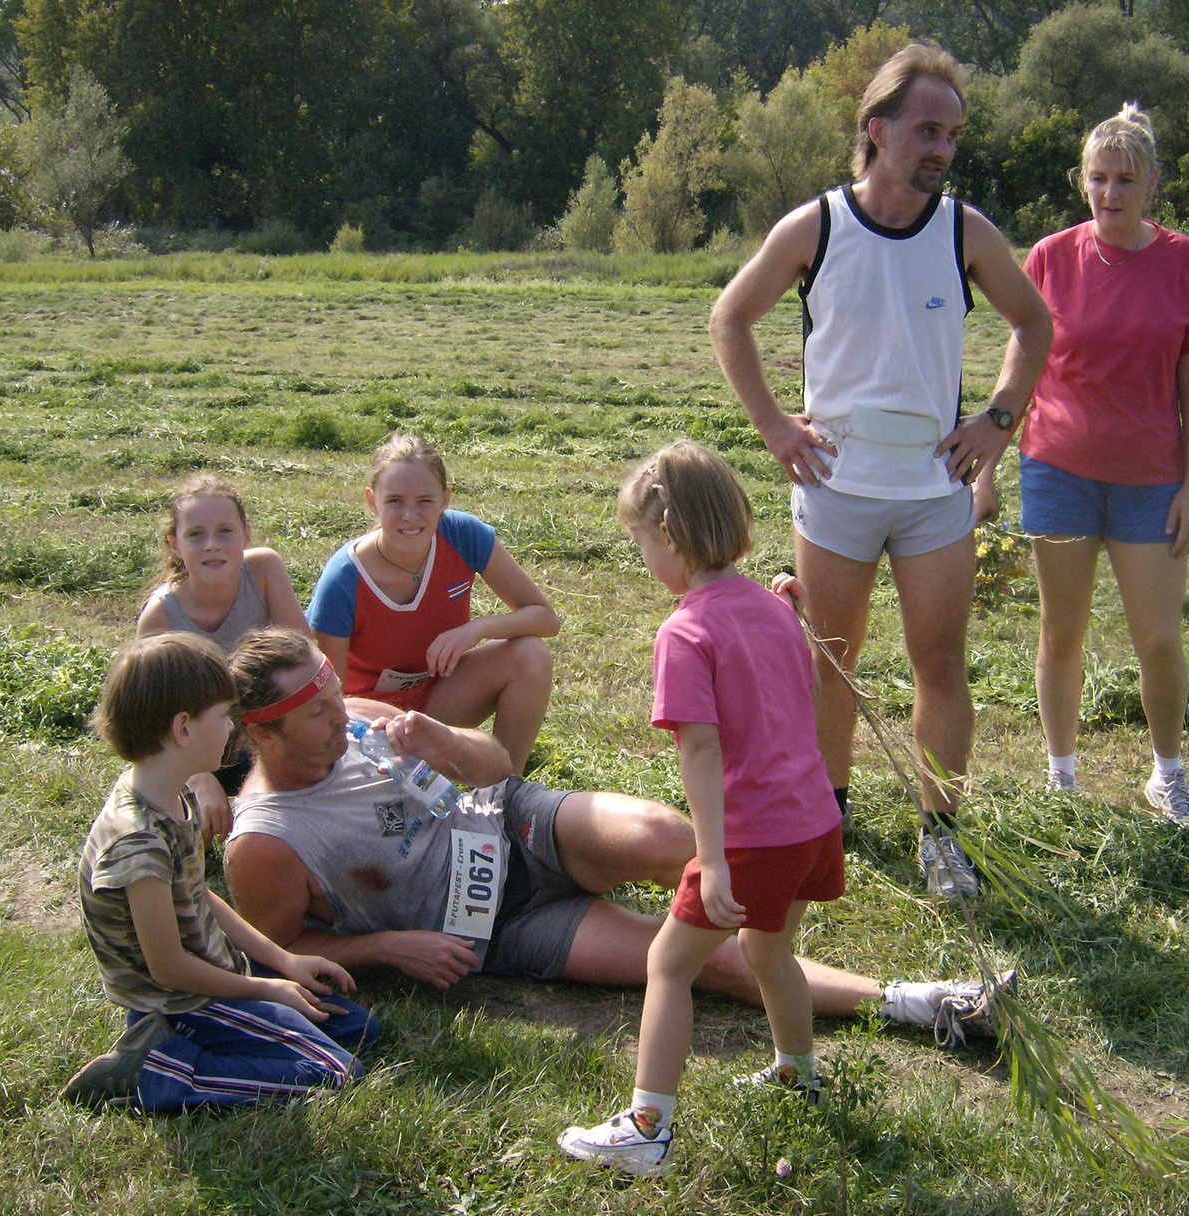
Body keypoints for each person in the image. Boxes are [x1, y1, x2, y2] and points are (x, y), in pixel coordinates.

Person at [220, 629, 1012, 1065]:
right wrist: (394, 948)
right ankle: (925, 1002)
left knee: (673, 837)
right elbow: (285, 951)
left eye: (336, 697)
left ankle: (773, 918)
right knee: (713, 968)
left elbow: (497, 768)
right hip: (494, 927)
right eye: (318, 715)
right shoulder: (265, 842)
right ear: (264, 732)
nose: (342, 720)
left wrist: (447, 743)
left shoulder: (352, 713)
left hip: (513, 823)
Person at [708, 43, 1053, 899]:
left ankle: (943, 836)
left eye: (953, 135)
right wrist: (773, 426)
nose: (941, 148)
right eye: (927, 129)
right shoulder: (815, 227)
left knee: (940, 664)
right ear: (877, 128)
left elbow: (1034, 324)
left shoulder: (965, 230)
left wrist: (997, 424)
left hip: (934, 492)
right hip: (835, 490)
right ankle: (830, 815)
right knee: (833, 661)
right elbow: (731, 317)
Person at [557, 442, 845, 1176]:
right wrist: (789, 615)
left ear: (673, 542)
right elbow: (803, 697)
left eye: (640, 542)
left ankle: (648, 1126)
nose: (642, 556)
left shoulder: (684, 632)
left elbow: (702, 753)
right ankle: (797, 1074)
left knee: (669, 962)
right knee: (768, 952)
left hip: (752, 838)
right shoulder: (775, 609)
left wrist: (711, 858)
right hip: (813, 822)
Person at [1005, 104, 1189, 826]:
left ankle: (1168, 775)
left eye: (1125, 179)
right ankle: (1061, 777)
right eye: (1098, 178)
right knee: (1061, 633)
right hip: (1058, 470)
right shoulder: (1048, 257)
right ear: (1083, 182)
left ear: (1152, 182)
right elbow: (1023, 368)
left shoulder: (1181, 260)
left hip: (1151, 482)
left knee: (1159, 637)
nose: (1110, 194)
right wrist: (985, 468)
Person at [61, 632, 377, 1112]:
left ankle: (205, 1045)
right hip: (181, 1004)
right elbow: (168, 968)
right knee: (335, 1071)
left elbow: (198, 896)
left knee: (361, 1031)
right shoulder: (137, 843)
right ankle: (152, 1072)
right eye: (223, 718)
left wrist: (283, 961)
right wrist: (262, 987)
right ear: (184, 729)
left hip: (217, 973)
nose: (233, 729)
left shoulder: (173, 791)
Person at [307, 433, 559, 773]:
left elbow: (545, 619)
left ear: (445, 500)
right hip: (367, 718)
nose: (410, 516)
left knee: (531, 655)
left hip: (439, 695)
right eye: (394, 501)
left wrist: (478, 629)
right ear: (372, 501)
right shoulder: (344, 577)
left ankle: (505, 792)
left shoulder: (462, 535)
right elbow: (327, 696)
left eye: (425, 501)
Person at [136, 474, 310, 827]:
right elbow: (152, 723)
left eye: (225, 531)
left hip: (266, 728)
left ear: (246, 534)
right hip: (194, 748)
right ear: (174, 544)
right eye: (195, 534)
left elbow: (303, 656)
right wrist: (200, 777)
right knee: (185, 823)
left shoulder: (263, 570)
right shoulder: (160, 616)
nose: (212, 544)